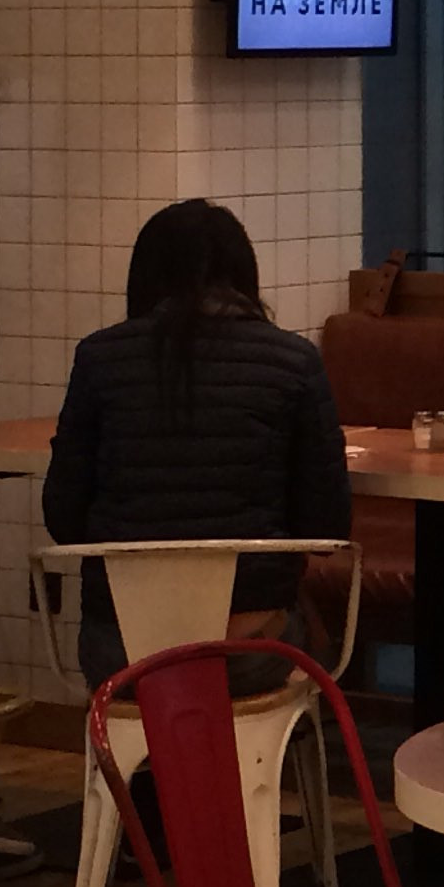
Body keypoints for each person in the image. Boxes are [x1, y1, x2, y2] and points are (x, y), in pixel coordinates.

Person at [44, 200, 351, 694]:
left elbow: (62, 516)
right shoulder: (293, 361)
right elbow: (327, 525)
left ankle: (130, 748)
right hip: (248, 651)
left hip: (123, 654)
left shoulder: (99, 359)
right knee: (305, 626)